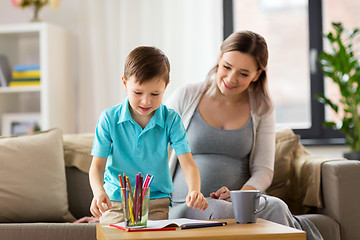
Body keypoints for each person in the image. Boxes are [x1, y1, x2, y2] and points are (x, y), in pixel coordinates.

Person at [166, 31, 323, 240]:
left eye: (243, 73)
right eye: (227, 67)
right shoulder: (186, 96)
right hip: (187, 203)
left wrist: (239, 195)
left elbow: (264, 170)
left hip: (241, 201)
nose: (231, 79)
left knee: (277, 206)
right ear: (220, 58)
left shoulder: (261, 108)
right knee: (224, 212)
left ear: (257, 75)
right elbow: (152, 142)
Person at [89, 46, 208, 224]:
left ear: (166, 86)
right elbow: (96, 167)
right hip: (114, 202)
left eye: (155, 94)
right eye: (138, 93)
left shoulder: (171, 120)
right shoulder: (109, 118)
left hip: (155, 202)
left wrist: (194, 190)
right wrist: (99, 192)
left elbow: (188, 163)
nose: (146, 101)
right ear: (124, 83)